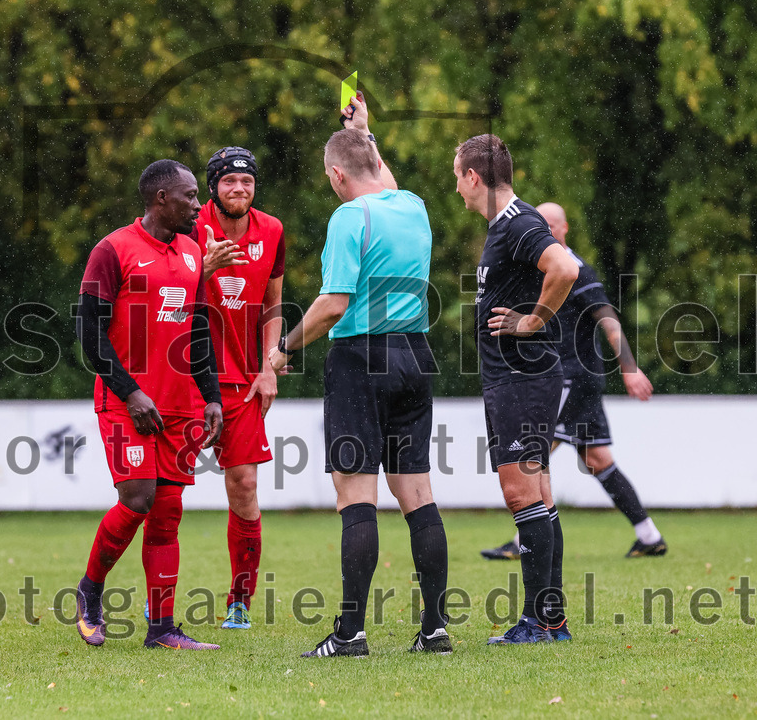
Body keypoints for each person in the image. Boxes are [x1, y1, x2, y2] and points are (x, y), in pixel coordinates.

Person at [269, 94, 451, 657]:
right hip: (414, 356)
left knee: (357, 497)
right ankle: (435, 629)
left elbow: (332, 304)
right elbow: (383, 180)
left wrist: (283, 346)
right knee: (417, 494)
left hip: (360, 361)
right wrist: (367, 133)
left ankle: (350, 634)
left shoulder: (348, 217)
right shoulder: (413, 206)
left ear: (334, 175)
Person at [75, 159, 224, 650]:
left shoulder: (192, 253)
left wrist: (212, 397)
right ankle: (90, 591)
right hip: (125, 403)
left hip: (179, 405)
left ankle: (161, 629)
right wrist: (131, 391)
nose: (199, 204)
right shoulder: (111, 250)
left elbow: (198, 331)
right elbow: (89, 336)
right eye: (189, 196)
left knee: (167, 513)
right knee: (137, 498)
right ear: (161, 198)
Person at [480, 202, 666, 561]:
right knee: (596, 458)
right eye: (541, 224)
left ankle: (525, 542)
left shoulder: (575, 269)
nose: (545, 230)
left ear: (564, 229)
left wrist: (629, 367)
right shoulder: (541, 265)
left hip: (571, 378)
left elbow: (607, 318)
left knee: (529, 452)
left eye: (551, 224)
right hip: (578, 378)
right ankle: (649, 535)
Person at [453, 134, 580, 644]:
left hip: (522, 379)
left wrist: (533, 320)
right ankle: (552, 620)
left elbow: (565, 266)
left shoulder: (519, 225)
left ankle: (538, 621)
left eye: (457, 177)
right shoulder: (506, 225)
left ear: (474, 178)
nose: (456, 189)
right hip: (520, 379)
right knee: (539, 493)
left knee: (520, 491)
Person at [190, 146, 285, 630]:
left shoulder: (272, 231)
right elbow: (160, 294)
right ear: (213, 187)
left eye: (247, 182)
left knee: (244, 486)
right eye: (230, 182)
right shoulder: (189, 224)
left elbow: (273, 304)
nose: (239, 190)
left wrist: (269, 365)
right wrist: (200, 269)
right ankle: (157, 601)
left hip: (243, 381)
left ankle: (239, 602)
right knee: (158, 494)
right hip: (185, 379)